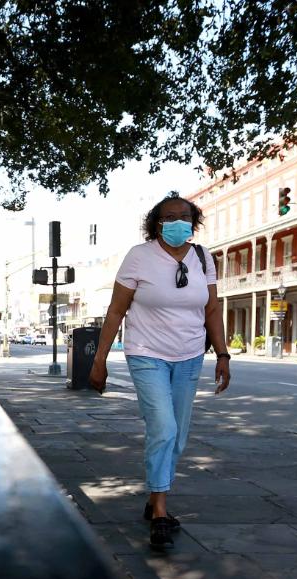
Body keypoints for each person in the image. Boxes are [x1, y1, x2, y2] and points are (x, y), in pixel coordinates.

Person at [88, 192, 230, 551]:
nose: (177, 222)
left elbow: (212, 309)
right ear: (156, 224)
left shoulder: (203, 257)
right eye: (169, 217)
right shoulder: (139, 256)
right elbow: (116, 310)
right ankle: (161, 514)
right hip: (146, 354)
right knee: (163, 428)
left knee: (177, 436)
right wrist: (99, 360)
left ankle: (154, 498)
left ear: (193, 222)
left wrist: (223, 354)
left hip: (190, 356)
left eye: (185, 216)